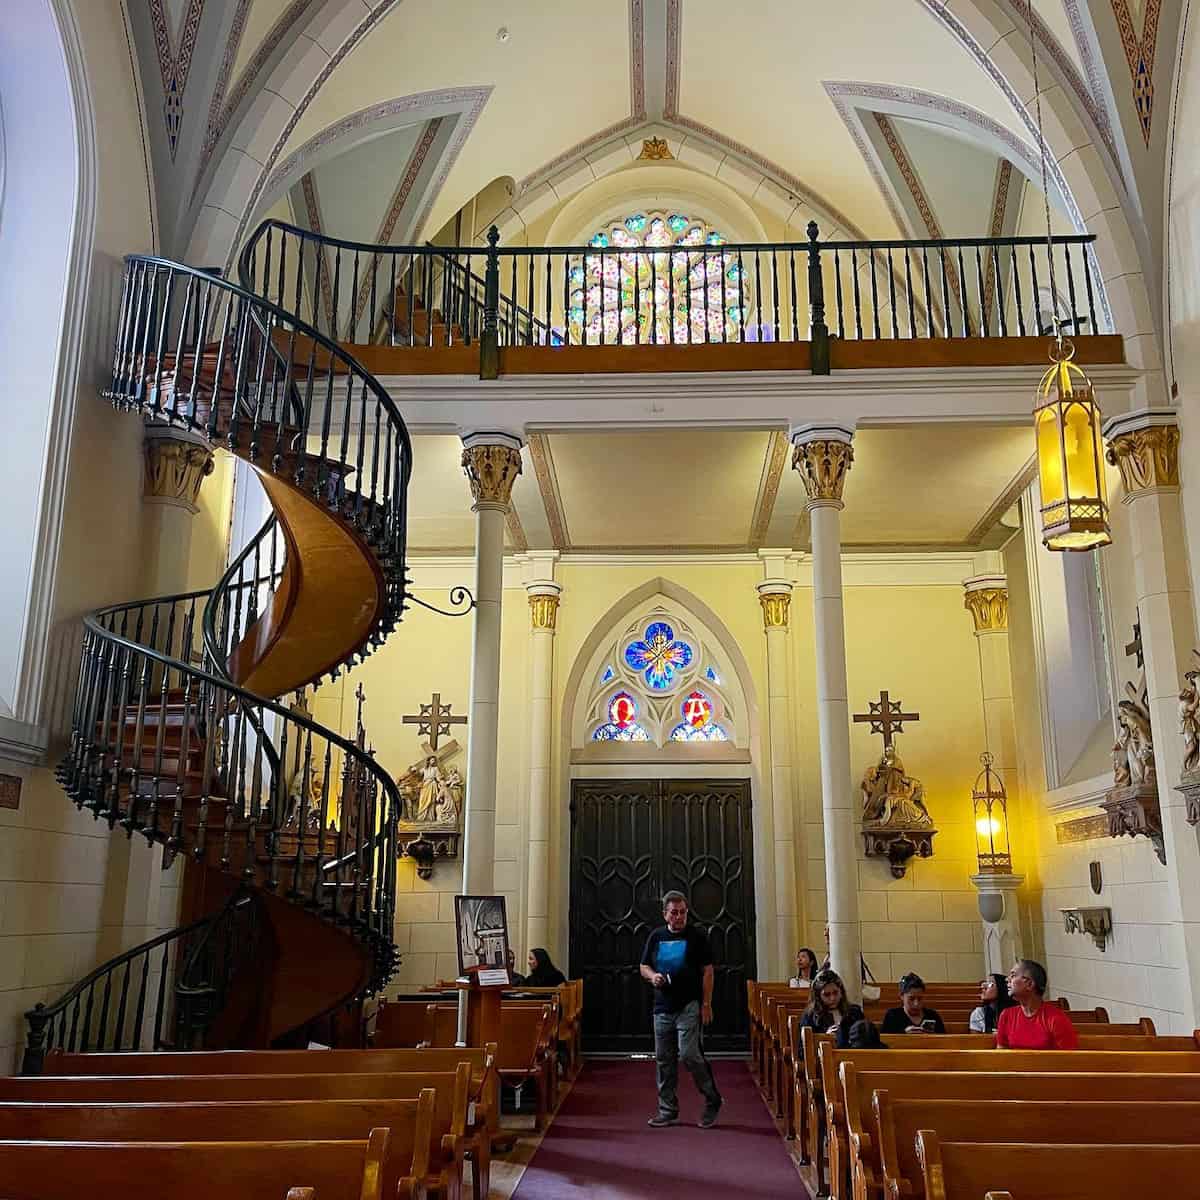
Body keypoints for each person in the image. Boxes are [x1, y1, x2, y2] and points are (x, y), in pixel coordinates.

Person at [640, 891, 723, 1129]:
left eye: (683, 912)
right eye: (674, 912)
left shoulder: (697, 936)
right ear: (665, 914)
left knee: (689, 1054)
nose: (679, 917)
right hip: (662, 1006)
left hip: (689, 1004)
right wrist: (653, 976)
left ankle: (712, 1098)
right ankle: (667, 1109)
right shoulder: (656, 936)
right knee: (664, 1060)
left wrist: (707, 1004)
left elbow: (708, 971)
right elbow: (643, 966)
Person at [996, 959, 1079, 1049]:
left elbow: (1069, 1058)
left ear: (1030, 984)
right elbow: (1001, 1054)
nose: (1007, 979)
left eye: (1013, 975)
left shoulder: (1056, 1019)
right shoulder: (1006, 1015)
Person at [880, 973, 946, 1034]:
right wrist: (904, 1034)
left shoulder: (933, 1015)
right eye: (911, 999)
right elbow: (884, 1042)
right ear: (901, 996)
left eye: (920, 999)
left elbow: (944, 1041)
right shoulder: (892, 1016)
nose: (916, 1004)